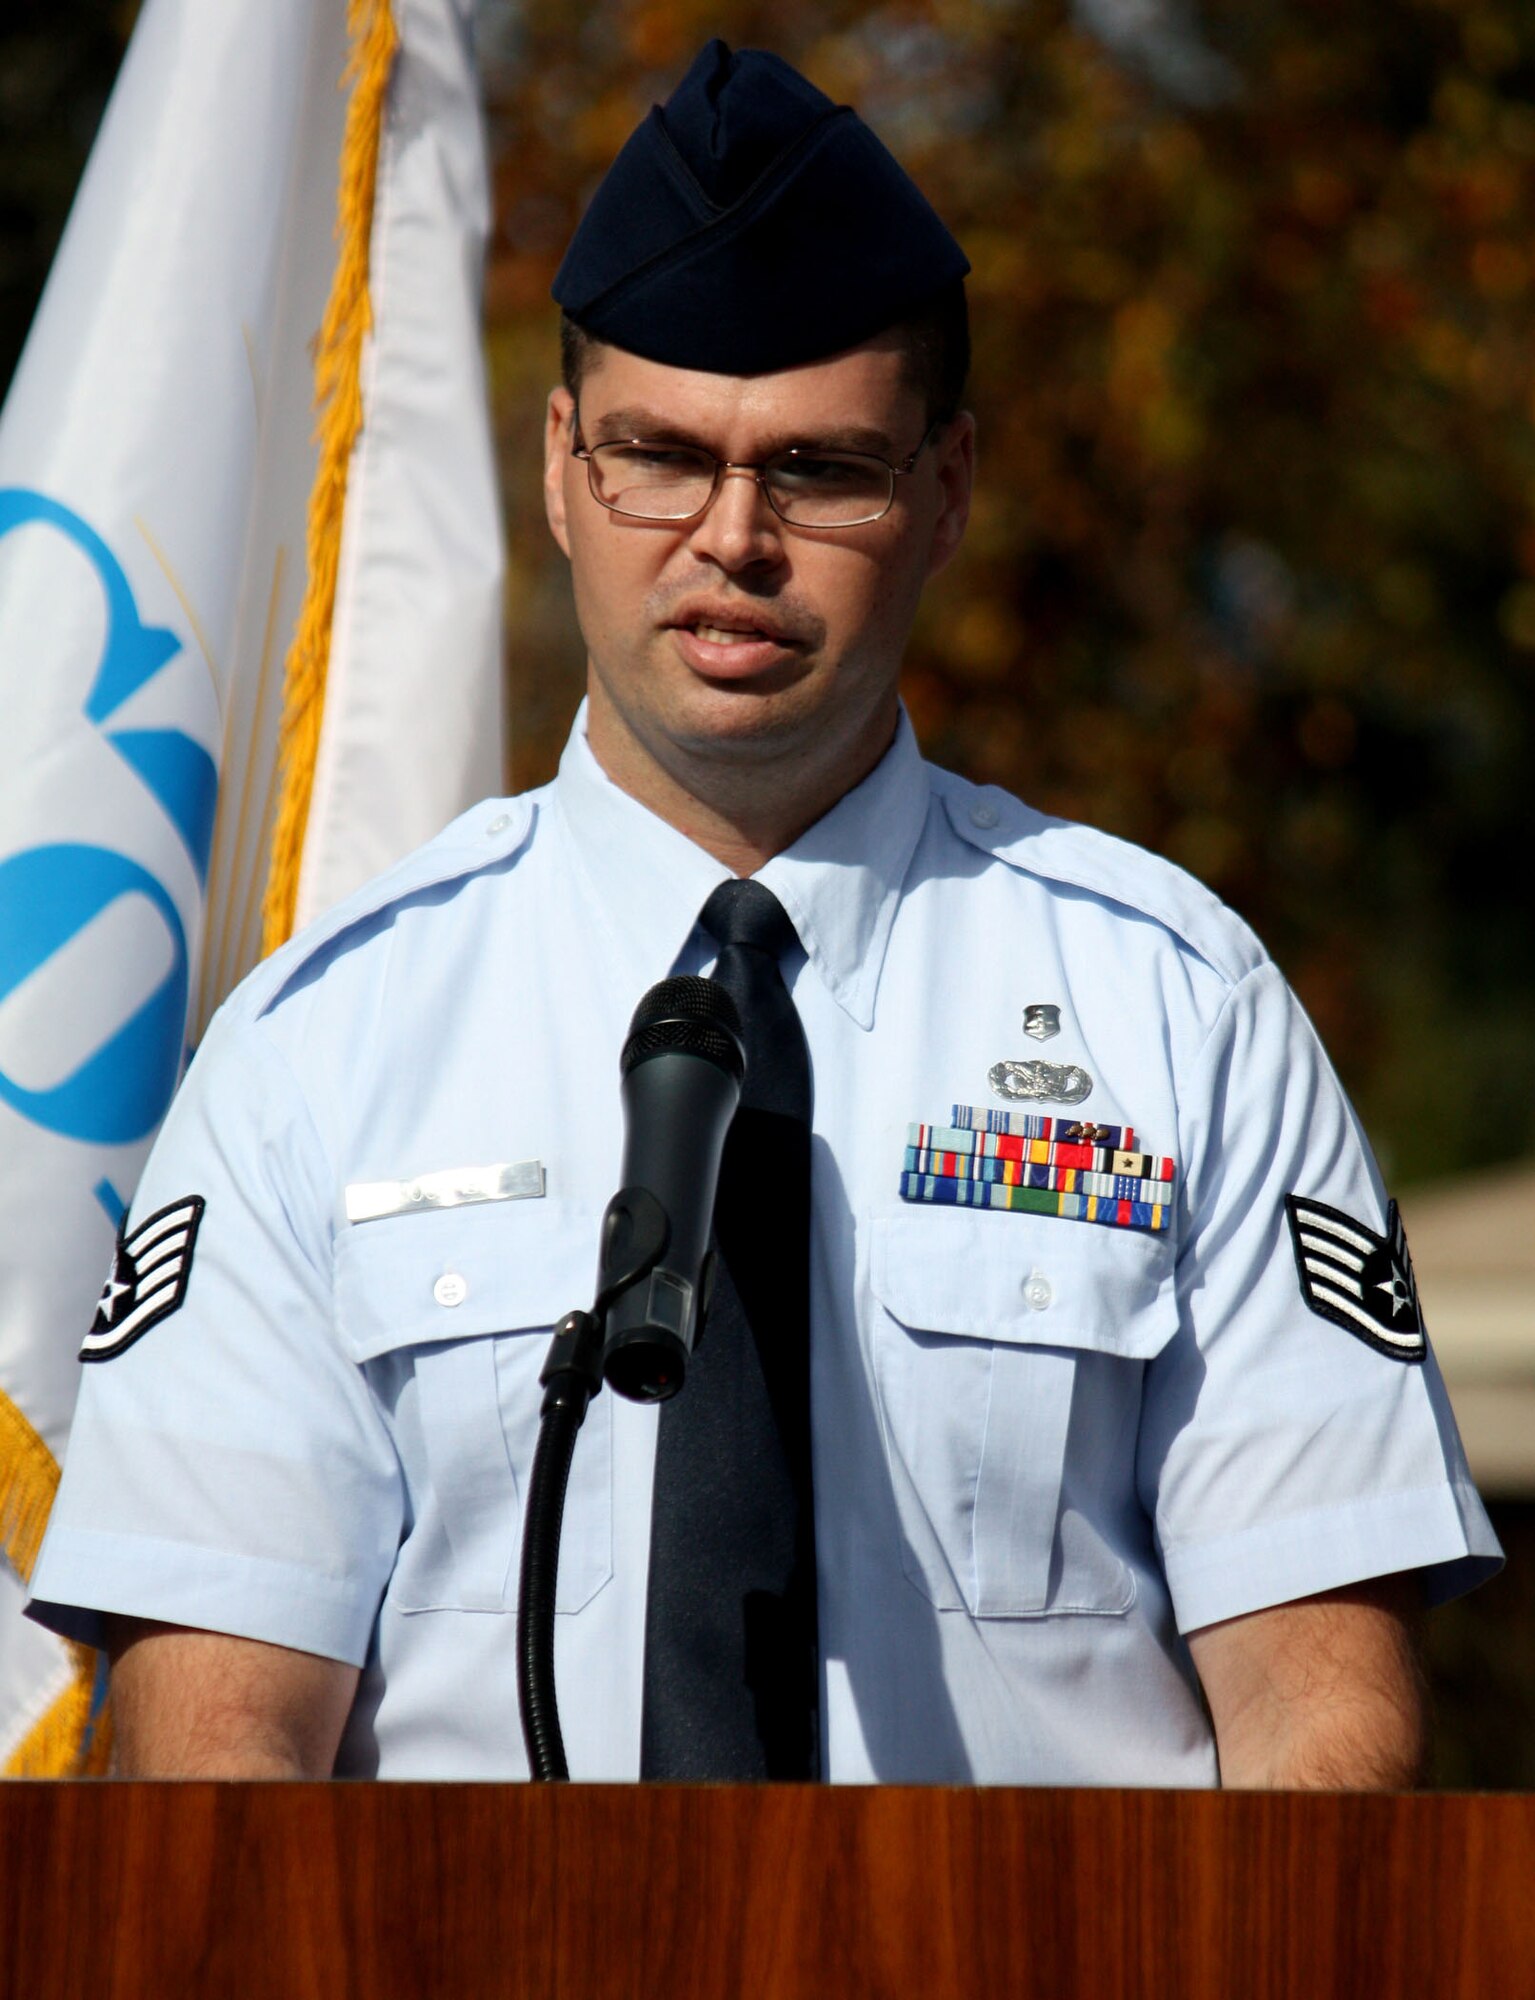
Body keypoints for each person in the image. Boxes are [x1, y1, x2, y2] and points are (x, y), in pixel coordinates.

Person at [28, 40, 1498, 1785]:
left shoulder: (1176, 1011)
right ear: (563, 467)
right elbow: (214, 1766)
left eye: (818, 469)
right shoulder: (322, 1044)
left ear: (946, 488)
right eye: (662, 454)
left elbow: (1324, 1724)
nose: (734, 537)